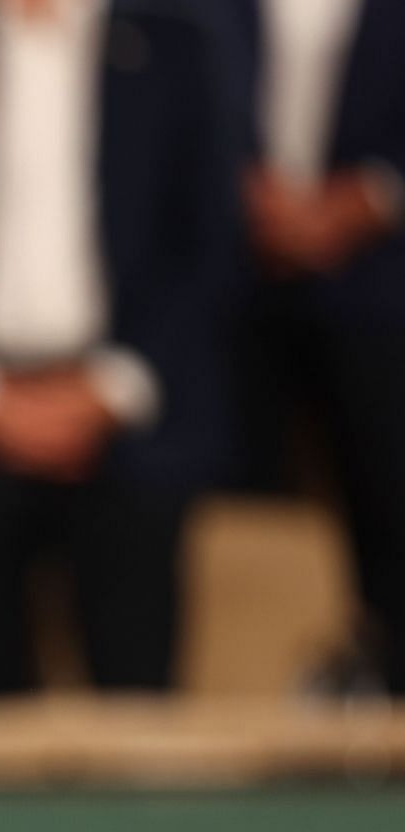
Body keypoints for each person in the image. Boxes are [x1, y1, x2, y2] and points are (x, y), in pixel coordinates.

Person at [0, 0, 239, 695]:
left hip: (129, 433)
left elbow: (209, 241)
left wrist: (111, 387)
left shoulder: (174, 50)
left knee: (136, 710)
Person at [200, 0, 405, 694]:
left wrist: (371, 198)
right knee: (239, 519)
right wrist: (243, 194)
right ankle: (250, 707)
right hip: (236, 290)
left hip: (381, 294)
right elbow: (167, 96)